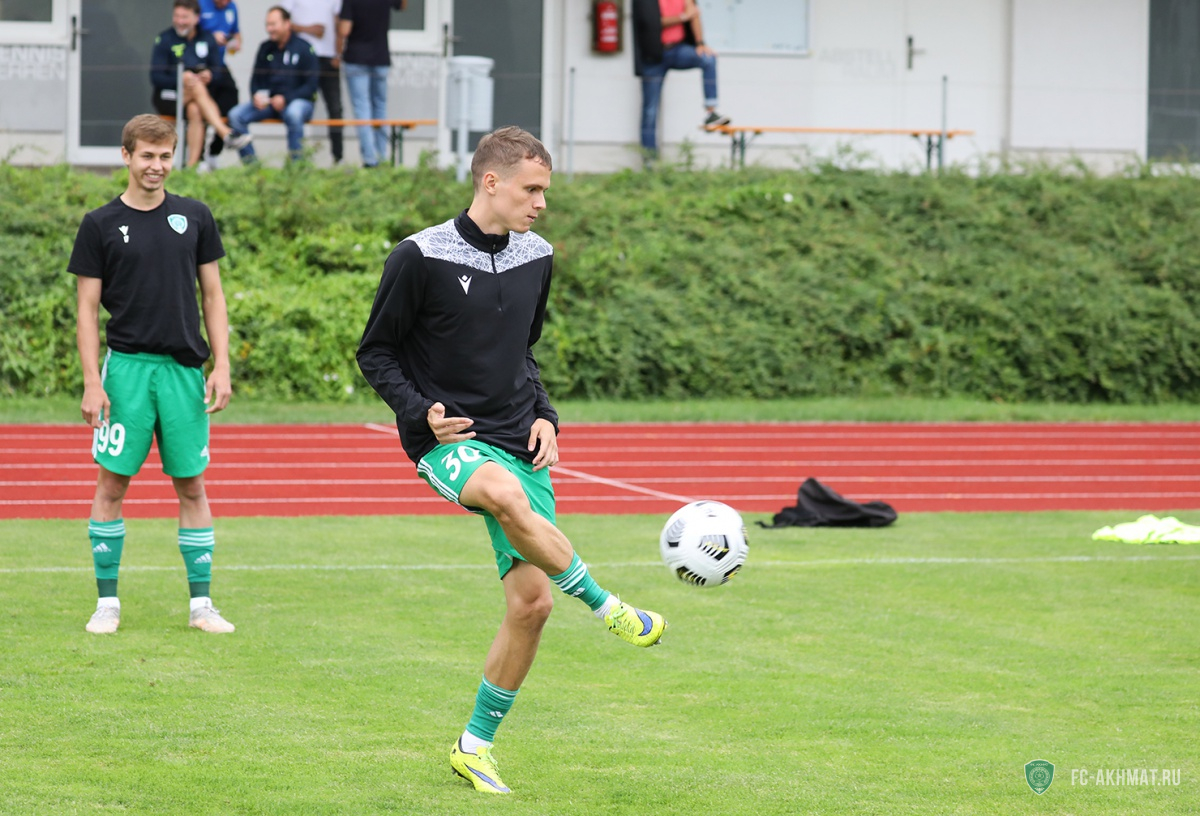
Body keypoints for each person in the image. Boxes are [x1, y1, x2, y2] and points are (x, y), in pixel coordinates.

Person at [357, 126, 667, 795]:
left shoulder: (538, 255)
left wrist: (546, 414)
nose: (541, 203)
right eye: (532, 189)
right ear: (491, 182)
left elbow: (523, 351)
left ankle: (473, 747)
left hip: (519, 435)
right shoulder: (418, 256)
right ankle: (608, 605)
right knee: (501, 492)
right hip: (449, 441)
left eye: (545, 191)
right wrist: (420, 412)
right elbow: (375, 351)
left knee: (531, 605)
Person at [67, 114, 235, 636]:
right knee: (112, 483)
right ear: (126, 156)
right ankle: (107, 603)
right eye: (146, 156)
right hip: (127, 372)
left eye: (165, 156)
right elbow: (86, 310)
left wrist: (222, 364)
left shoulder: (195, 216)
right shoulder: (99, 224)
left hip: (184, 372)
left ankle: (202, 605)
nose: (156, 166)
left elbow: (213, 295)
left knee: (192, 485)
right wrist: (92, 380)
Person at [149, 0, 251, 169]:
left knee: (195, 109)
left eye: (185, 17)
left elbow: (218, 72)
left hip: (195, 99)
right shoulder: (165, 39)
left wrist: (209, 75)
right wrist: (180, 79)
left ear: (197, 18)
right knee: (195, 86)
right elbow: (156, 78)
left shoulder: (207, 39)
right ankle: (225, 133)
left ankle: (191, 167)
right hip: (168, 97)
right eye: (177, 16)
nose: (180, 21)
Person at [631, 0, 730, 160]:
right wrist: (683, 16)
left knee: (708, 59)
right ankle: (649, 160)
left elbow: (694, 15)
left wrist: (700, 43)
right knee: (650, 111)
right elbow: (652, 22)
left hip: (677, 49)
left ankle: (711, 112)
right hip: (653, 56)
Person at [226, 6, 319, 164]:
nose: (269, 29)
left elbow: (311, 86)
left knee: (294, 113)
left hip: (298, 102)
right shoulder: (265, 48)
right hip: (269, 104)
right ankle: (252, 168)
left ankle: (297, 168)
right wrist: (256, 95)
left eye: (273, 24)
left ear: (287, 24)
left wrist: (285, 99)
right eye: (267, 25)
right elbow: (255, 80)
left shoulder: (304, 48)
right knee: (236, 115)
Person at [338, 0, 404, 167]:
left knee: (362, 109)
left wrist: (336, 28)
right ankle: (382, 156)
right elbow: (402, 6)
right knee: (380, 107)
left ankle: (370, 160)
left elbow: (345, 29)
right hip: (381, 57)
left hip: (356, 59)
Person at [282, 0, 344, 164]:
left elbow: (339, 24)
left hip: (328, 58)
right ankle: (297, 159)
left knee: (335, 108)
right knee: (298, 106)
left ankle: (338, 158)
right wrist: (309, 29)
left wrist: (338, 53)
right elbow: (283, 22)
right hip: (302, 57)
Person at [196, 0, 244, 170]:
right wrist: (211, 37)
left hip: (219, 65)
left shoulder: (232, 7)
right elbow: (189, 32)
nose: (225, 3)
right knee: (199, 110)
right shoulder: (200, 4)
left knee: (231, 101)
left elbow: (236, 33)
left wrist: (235, 43)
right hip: (199, 64)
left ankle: (214, 152)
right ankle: (198, 159)